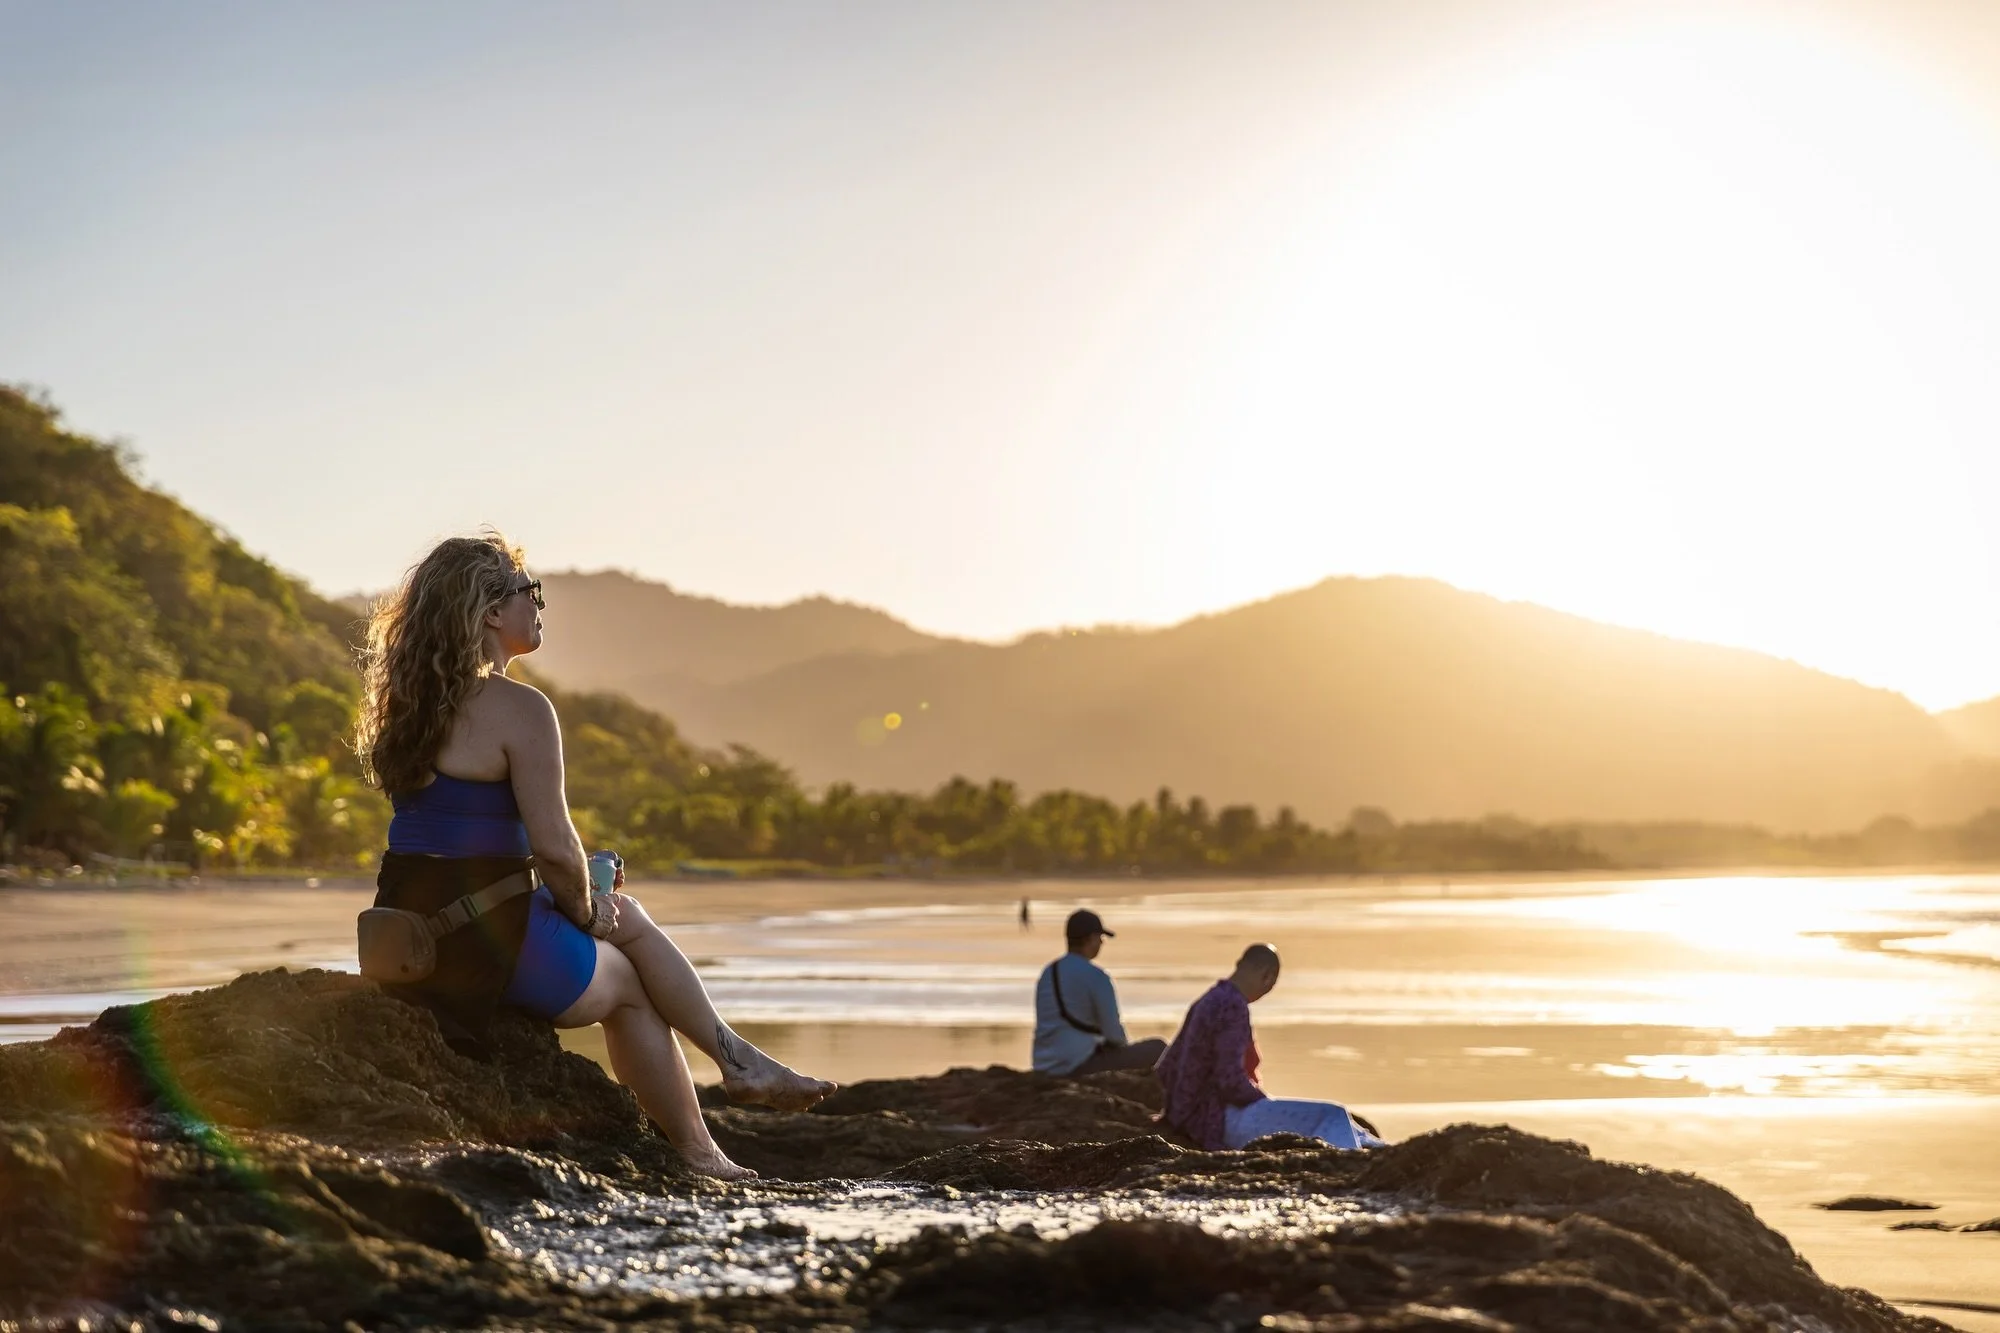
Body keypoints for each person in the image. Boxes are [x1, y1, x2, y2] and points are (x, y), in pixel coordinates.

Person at [357, 532, 833, 1181]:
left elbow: (453, 845)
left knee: (622, 910)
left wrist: (587, 899)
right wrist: (586, 910)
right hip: (482, 947)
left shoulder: (403, 709)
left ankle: (739, 1062)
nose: (540, 606)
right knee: (632, 987)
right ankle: (707, 1141)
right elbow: (554, 844)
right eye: (533, 593)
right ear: (493, 611)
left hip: (406, 937)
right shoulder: (520, 707)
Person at [1156, 943, 1382, 1151]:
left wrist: (1179, 1112)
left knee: (1352, 1127)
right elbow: (1229, 1081)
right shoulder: (1232, 1006)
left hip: (1199, 1116)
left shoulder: (1208, 1000)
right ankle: (1353, 1166)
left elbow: (1166, 1068)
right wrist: (1262, 1100)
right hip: (1220, 1119)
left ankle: (1382, 1149)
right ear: (1266, 977)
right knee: (1334, 1114)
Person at [1031, 909, 1166, 1075]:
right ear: (1090, 938)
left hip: (1044, 1064)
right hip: (1077, 1064)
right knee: (1159, 1049)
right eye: (1100, 938)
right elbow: (1115, 1036)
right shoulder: (1096, 976)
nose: (1102, 943)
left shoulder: (1048, 973)